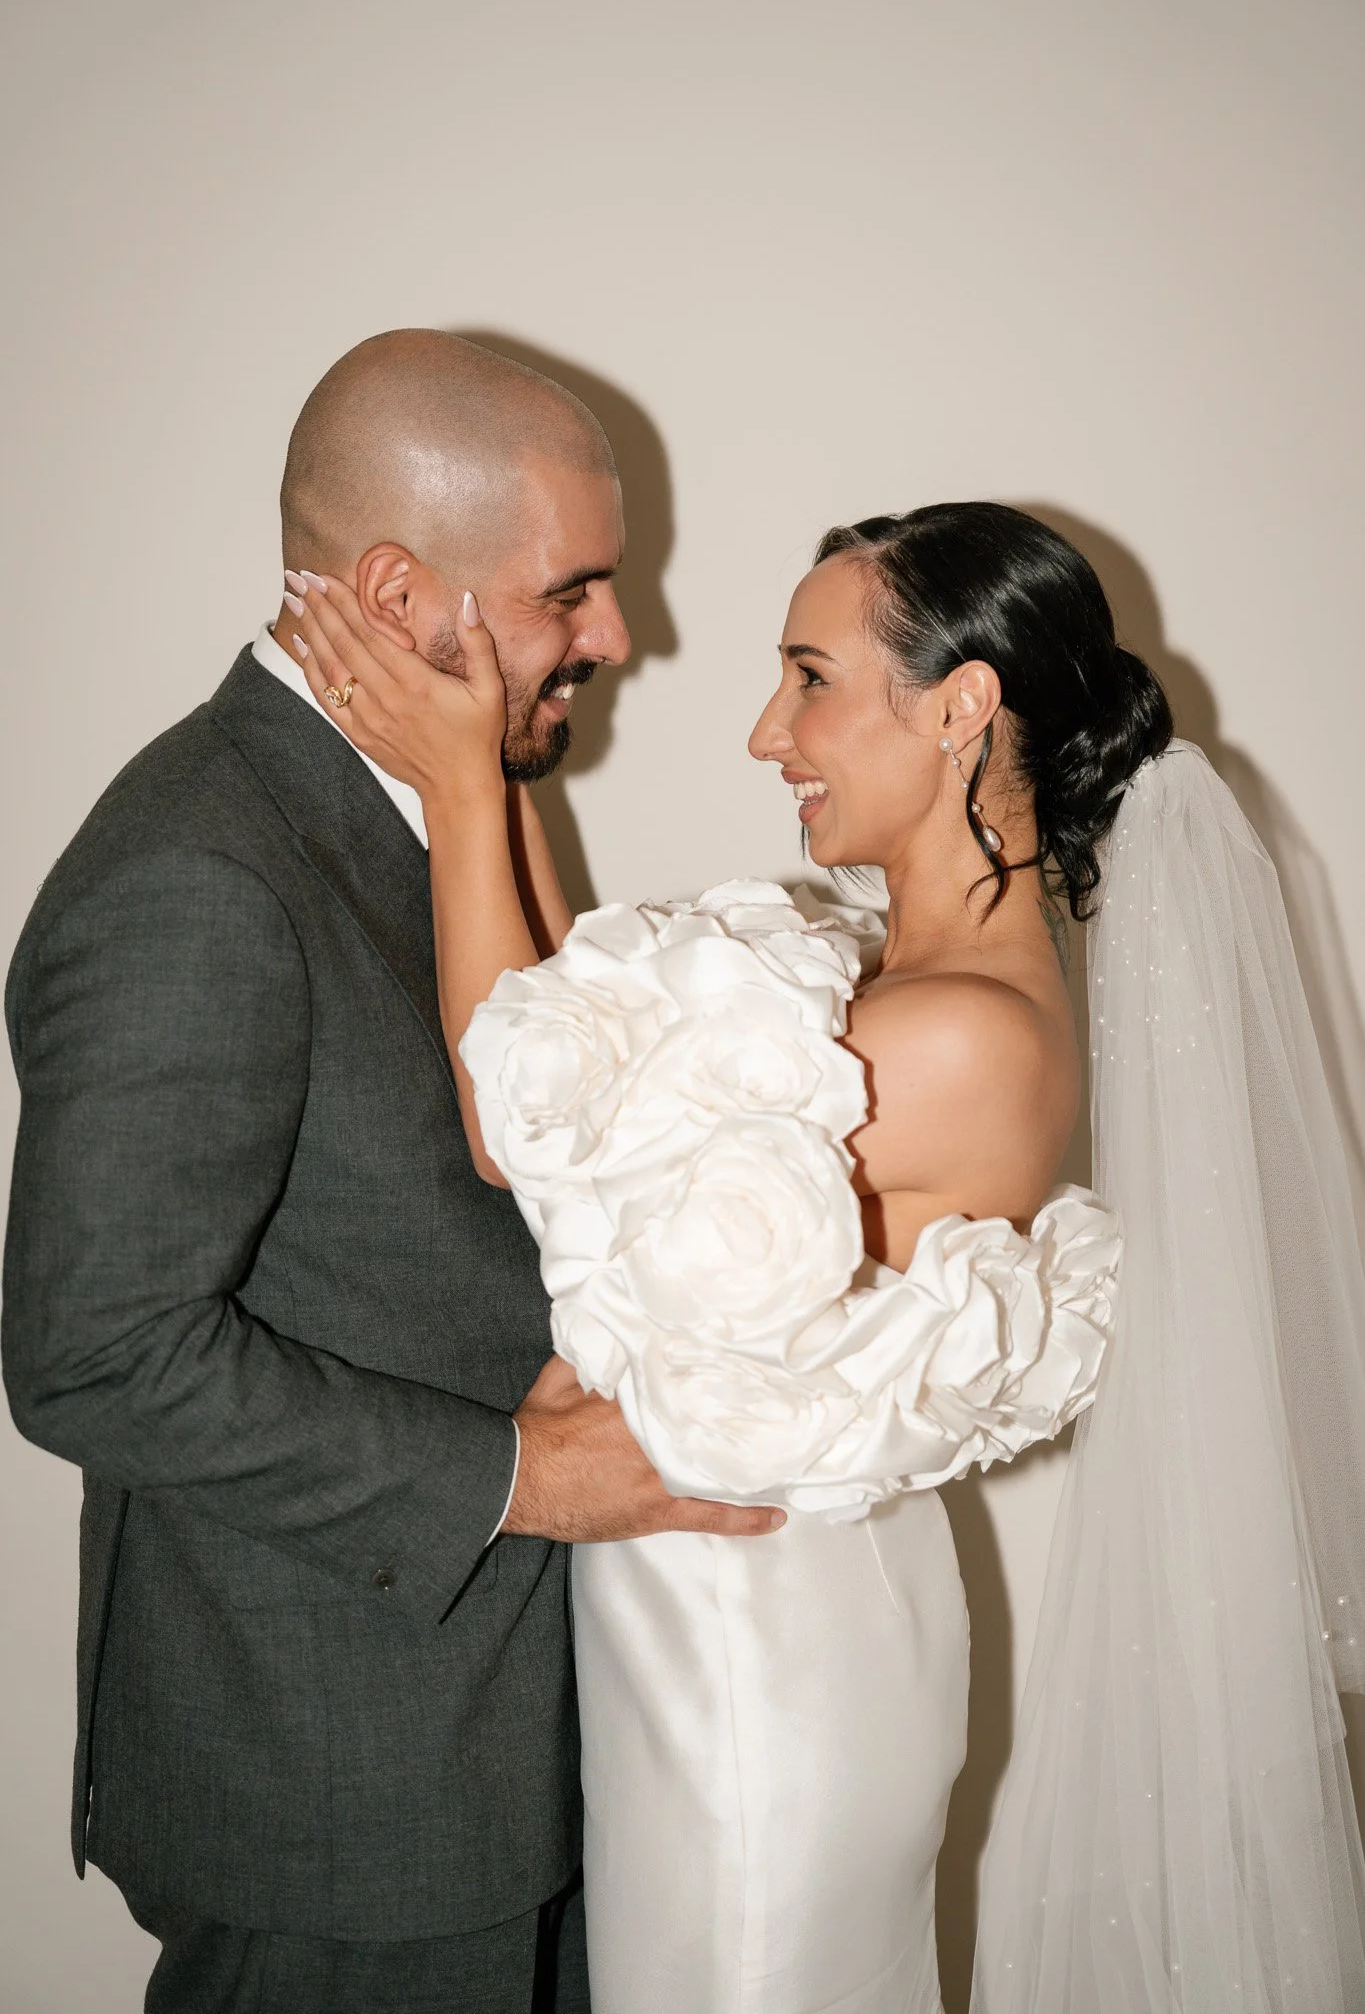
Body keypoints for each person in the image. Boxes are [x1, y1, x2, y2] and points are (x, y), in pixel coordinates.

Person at [286, 499, 1365, 2014]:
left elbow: (520, 1119)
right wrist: (494, 743)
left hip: (761, 1656)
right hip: (749, 1611)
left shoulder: (960, 1037)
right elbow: (584, 1027)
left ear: (961, 705)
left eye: (810, 678)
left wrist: (464, 789)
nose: (763, 733)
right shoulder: (886, 976)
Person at [1, 330, 783, 2014]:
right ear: (391, 585)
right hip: (342, 1802)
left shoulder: (434, 802)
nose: (620, 636)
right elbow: (93, 1356)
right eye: (573, 590)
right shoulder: (198, 872)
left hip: (501, 1757)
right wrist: (529, 1478)